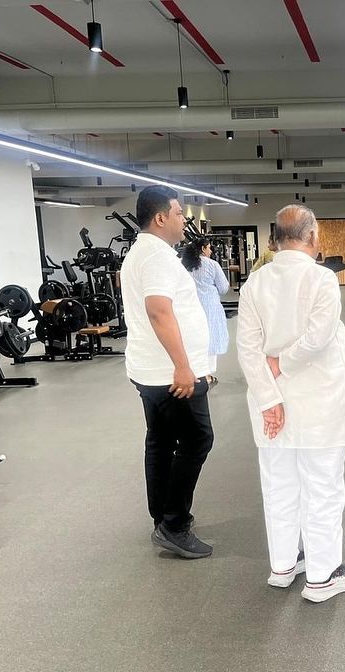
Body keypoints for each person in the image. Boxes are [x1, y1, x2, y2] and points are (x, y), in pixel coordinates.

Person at [237, 204, 345, 602]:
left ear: (275, 239)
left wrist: (268, 398)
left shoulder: (254, 283)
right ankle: (321, 578)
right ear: (312, 237)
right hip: (319, 402)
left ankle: (282, 565)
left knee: (278, 485)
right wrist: (283, 363)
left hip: (271, 406)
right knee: (322, 486)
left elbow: (247, 349)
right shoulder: (321, 279)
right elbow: (319, 337)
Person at [120, 185, 214, 560]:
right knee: (197, 440)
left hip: (150, 370)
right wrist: (183, 366)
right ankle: (174, 525)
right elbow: (159, 311)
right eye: (178, 214)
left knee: (160, 441)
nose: (183, 221)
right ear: (160, 218)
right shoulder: (157, 256)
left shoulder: (141, 252)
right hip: (169, 375)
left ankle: (162, 516)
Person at [180, 237, 229, 383]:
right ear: (203, 249)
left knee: (192, 338)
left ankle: (193, 371)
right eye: (209, 248)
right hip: (209, 307)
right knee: (210, 339)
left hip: (189, 306)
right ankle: (206, 374)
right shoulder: (212, 265)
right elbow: (223, 288)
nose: (211, 250)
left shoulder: (183, 264)